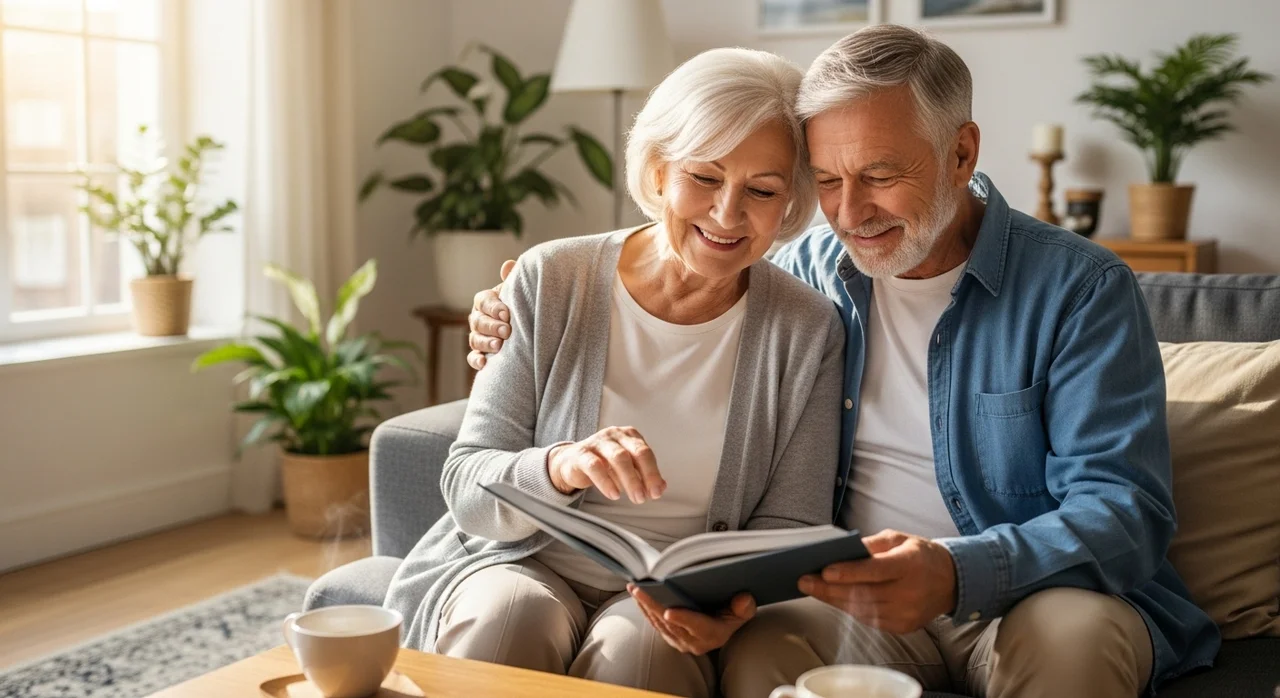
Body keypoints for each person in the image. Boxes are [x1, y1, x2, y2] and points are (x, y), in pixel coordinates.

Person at [465, 25, 1220, 698]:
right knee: (765, 656)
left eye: (881, 176)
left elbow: (1127, 512)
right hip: (850, 597)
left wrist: (959, 572)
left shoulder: (1078, 289)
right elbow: (695, 231)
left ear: (961, 153)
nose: (851, 212)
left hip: (1031, 594)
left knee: (1072, 644)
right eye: (826, 181)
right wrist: (514, 301)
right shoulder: (809, 272)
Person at [383, 47, 846, 698]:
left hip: (671, 590)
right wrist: (559, 466)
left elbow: (793, 525)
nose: (726, 213)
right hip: (524, 558)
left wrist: (731, 601)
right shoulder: (551, 278)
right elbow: (466, 483)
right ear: (658, 172)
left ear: (791, 202)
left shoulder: (808, 328)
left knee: (646, 654)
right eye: (705, 177)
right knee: (505, 622)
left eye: (762, 191)